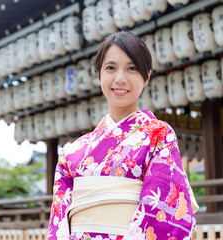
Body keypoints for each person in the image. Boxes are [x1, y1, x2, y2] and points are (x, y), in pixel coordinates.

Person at [47, 31, 199, 240]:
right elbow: (59, 223)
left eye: (132, 68)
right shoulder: (71, 153)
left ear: (146, 77)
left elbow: (163, 216)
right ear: (99, 74)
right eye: (110, 68)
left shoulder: (159, 135)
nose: (120, 78)